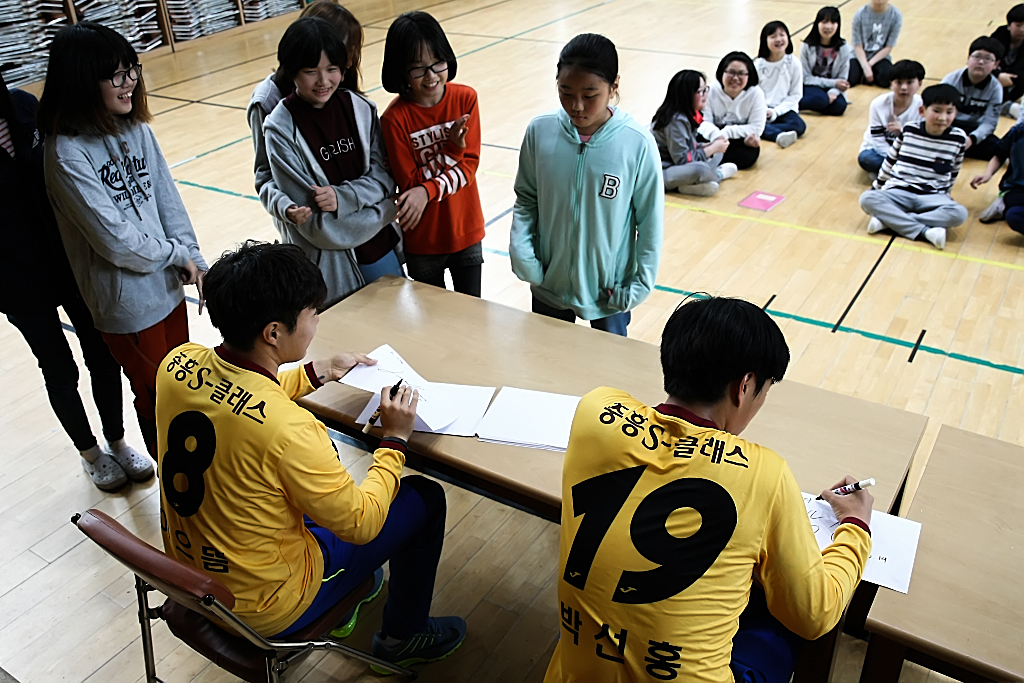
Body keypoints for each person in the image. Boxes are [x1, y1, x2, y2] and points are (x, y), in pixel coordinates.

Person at [156, 240, 466, 671]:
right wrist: (394, 440)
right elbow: (362, 522)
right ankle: (403, 636)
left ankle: (356, 582)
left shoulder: (177, 365)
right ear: (274, 332)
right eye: (311, 313)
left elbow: (235, 400)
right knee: (423, 499)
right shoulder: (293, 431)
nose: (317, 321)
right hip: (266, 605)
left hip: (192, 574)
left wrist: (313, 372)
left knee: (306, 498)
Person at [543, 296, 872, 683]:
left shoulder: (595, 410)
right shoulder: (766, 473)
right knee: (777, 611)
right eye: (764, 391)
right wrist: (855, 525)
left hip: (571, 674)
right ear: (744, 385)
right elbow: (816, 613)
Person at [38, 22, 207, 458]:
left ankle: (203, 476)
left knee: (188, 388)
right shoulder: (66, 153)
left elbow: (168, 202)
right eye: (116, 74)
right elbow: (115, 241)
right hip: (128, 305)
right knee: (159, 398)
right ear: (81, 82)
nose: (130, 81)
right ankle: (177, 484)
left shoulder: (137, 130)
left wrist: (195, 258)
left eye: (132, 68)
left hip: (168, 291)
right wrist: (175, 254)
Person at [0, 72, 146, 491]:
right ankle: (90, 454)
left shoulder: (25, 107)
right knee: (59, 369)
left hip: (70, 263)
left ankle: (117, 441)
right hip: (17, 282)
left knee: (102, 355)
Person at [510, 33, 663, 337]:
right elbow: (526, 198)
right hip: (548, 285)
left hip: (609, 293)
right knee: (548, 369)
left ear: (613, 86)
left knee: (607, 378)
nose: (576, 105)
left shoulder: (637, 144)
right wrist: (523, 254)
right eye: (565, 92)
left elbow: (650, 222)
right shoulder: (540, 132)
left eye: (590, 95)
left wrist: (639, 285)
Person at [263, 17, 402, 308]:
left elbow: (385, 178)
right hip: (327, 262)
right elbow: (315, 223)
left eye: (332, 69)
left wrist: (344, 197)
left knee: (398, 326)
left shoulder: (362, 108)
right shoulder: (278, 128)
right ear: (291, 71)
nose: (324, 81)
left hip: (379, 248)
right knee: (348, 341)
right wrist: (384, 211)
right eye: (311, 72)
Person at [380, 11, 485, 297]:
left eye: (437, 63)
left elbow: (469, 168)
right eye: (418, 68)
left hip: (465, 229)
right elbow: (409, 182)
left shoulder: (465, 99)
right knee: (432, 327)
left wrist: (426, 192)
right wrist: (452, 150)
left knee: (472, 316)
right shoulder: (394, 119)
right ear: (401, 71)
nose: (431, 76)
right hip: (423, 240)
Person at [248, 1, 365, 241]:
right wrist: (286, 207)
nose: (350, 61)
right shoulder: (269, 102)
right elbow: (265, 174)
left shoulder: (341, 89)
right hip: (314, 229)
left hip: (356, 216)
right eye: (345, 50)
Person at [859, 84, 969, 250]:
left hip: (931, 196)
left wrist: (946, 195)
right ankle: (925, 231)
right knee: (867, 199)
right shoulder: (909, 130)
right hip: (900, 190)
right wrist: (877, 187)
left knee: (959, 214)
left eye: (949, 112)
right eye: (937, 111)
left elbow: (953, 171)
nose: (943, 117)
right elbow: (890, 161)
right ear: (922, 111)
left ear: (956, 113)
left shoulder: (958, 138)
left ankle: (889, 221)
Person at [651, 70, 738, 196]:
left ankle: (686, 186)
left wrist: (708, 146)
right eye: (700, 91)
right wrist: (711, 148)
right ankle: (717, 175)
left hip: (676, 165)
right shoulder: (675, 121)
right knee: (700, 169)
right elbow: (682, 159)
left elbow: (690, 146)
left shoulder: (688, 114)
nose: (705, 95)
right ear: (686, 95)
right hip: (662, 172)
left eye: (705, 89)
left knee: (718, 152)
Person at [941, 36, 1005, 161]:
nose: (981, 62)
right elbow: (938, 109)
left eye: (988, 59)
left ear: (996, 65)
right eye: (977, 57)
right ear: (968, 59)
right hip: (948, 125)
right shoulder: (951, 79)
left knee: (999, 148)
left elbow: (990, 122)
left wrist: (972, 138)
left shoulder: (996, 88)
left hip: (973, 129)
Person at [699, 51, 766, 170]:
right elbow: (703, 122)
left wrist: (728, 132)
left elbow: (757, 128)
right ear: (722, 72)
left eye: (741, 74)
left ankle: (711, 163)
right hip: (712, 137)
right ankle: (716, 166)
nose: (735, 78)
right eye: (731, 72)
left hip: (738, 140)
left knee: (748, 154)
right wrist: (717, 136)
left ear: (749, 75)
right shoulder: (711, 91)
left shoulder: (756, 94)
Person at [857, 59, 925, 174]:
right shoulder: (878, 104)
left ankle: (889, 174)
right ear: (891, 83)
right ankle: (901, 173)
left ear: (919, 83)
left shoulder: (923, 106)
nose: (904, 87)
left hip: (909, 152)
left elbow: (921, 140)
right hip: (878, 151)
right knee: (866, 159)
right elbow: (877, 139)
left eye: (909, 82)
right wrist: (896, 160)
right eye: (898, 82)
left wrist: (903, 131)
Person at [755, 20, 805, 149]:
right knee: (751, 122)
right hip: (762, 109)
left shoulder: (794, 63)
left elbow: (795, 95)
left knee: (799, 126)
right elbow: (753, 93)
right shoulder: (757, 65)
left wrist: (776, 112)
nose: (778, 39)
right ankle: (776, 135)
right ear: (765, 41)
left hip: (784, 110)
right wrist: (763, 109)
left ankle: (764, 131)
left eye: (782, 35)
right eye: (773, 37)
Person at [799, 6, 853, 116]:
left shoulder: (844, 48)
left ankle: (813, 105)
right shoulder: (807, 46)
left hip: (833, 87)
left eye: (833, 22)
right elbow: (806, 78)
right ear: (817, 24)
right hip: (812, 85)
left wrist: (834, 92)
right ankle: (794, 104)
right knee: (821, 100)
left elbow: (842, 80)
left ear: (838, 25)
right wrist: (834, 83)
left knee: (840, 106)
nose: (828, 26)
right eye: (824, 22)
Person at [970, 119, 1024, 230]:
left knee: (1014, 213)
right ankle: (1003, 205)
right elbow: (999, 155)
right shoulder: (1018, 132)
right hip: (1017, 190)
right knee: (1013, 216)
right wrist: (987, 174)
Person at [849, 0, 902, 87]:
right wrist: (865, 66)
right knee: (849, 79)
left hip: (880, 57)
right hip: (859, 56)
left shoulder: (896, 16)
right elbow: (858, 46)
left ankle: (866, 75)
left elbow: (888, 47)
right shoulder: (860, 14)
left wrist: (869, 65)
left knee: (887, 80)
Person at [991, 4, 1024, 118]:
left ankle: (1004, 104)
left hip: (1014, 81)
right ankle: (1005, 106)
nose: (1022, 30)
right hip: (996, 76)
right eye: (1018, 25)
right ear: (1009, 26)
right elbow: (987, 61)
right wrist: (998, 75)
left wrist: (1012, 79)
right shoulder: (998, 37)